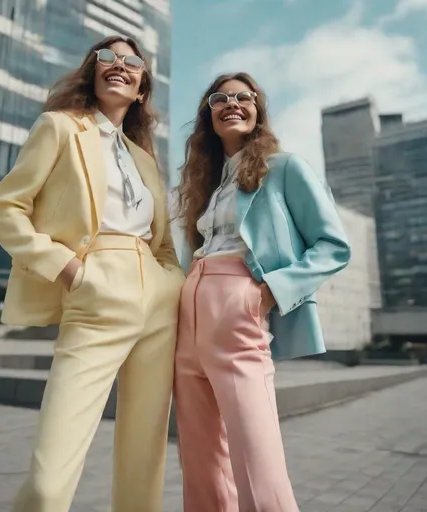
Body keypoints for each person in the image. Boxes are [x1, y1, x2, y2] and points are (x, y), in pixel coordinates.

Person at [0, 35, 184, 512]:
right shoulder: (58, 127)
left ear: (141, 89)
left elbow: (163, 242)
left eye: (132, 61)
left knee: (144, 461)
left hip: (158, 301)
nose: (119, 65)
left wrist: (171, 281)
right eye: (107, 58)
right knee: (50, 480)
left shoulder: (144, 159)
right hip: (95, 288)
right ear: (92, 71)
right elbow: (7, 206)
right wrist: (68, 268)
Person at [173, 72, 351, 512]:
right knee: (201, 463)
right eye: (219, 98)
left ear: (257, 108)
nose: (230, 103)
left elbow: (333, 245)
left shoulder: (285, 167)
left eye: (242, 97)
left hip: (240, 307)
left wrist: (270, 291)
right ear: (207, 116)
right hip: (188, 315)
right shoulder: (208, 183)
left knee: (256, 460)